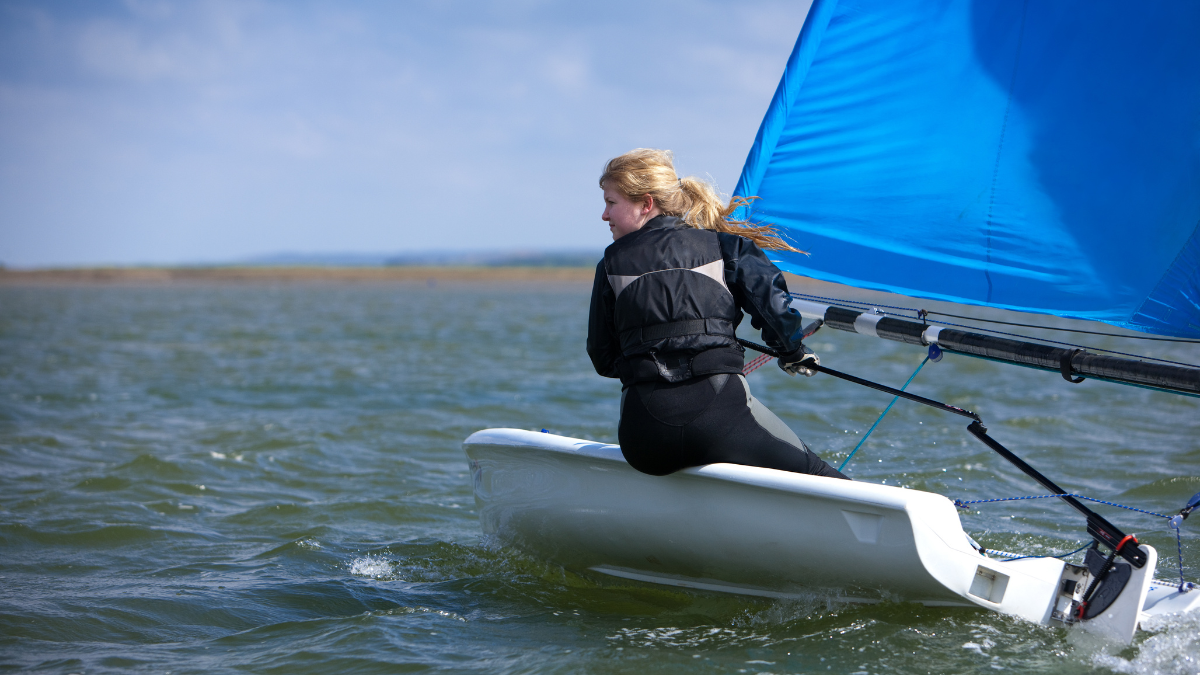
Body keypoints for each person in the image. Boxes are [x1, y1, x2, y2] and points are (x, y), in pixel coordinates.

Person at [587, 148, 848, 480]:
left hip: (646, 441)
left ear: (646, 203)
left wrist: (651, 359)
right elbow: (775, 313)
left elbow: (603, 357)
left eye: (611, 203)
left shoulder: (610, 263)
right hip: (722, 422)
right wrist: (794, 352)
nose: (604, 215)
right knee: (818, 474)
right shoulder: (727, 247)